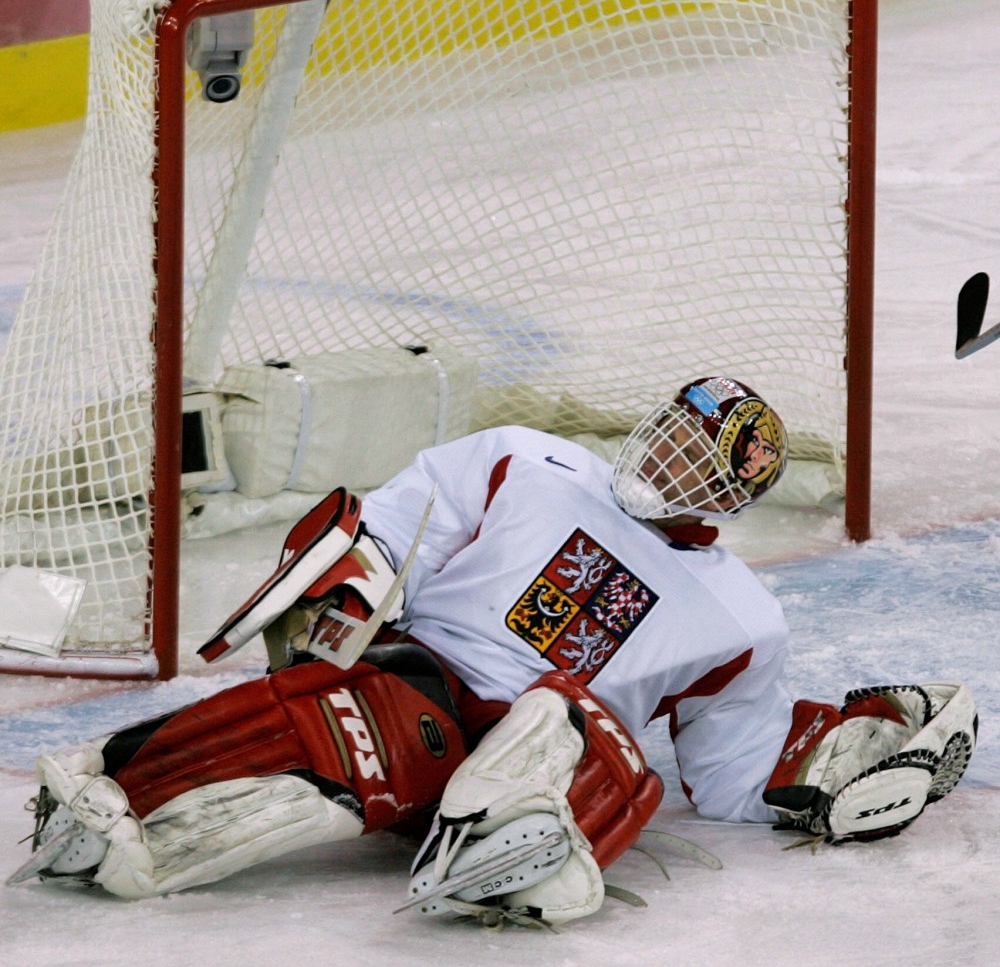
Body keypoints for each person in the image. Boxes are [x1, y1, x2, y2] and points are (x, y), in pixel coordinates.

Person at [9, 377, 977, 928]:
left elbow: (727, 774)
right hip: (425, 680)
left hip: (541, 747)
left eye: (696, 464)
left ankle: (515, 854)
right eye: (671, 436)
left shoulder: (743, 618)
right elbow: (396, 525)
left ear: (728, 500)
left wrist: (830, 762)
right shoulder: (529, 457)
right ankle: (118, 798)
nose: (666, 462)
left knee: (574, 721)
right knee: (370, 721)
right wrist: (357, 583)